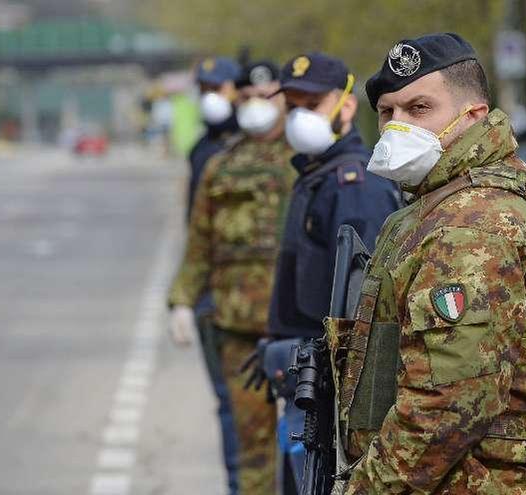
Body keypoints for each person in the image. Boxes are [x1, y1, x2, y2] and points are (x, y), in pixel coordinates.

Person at [328, 33, 526, 494]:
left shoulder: (470, 225)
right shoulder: (496, 196)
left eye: (419, 108)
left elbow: (447, 404)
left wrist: (364, 489)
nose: (396, 126)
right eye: (387, 112)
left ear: (474, 115)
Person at [261, 52, 402, 490]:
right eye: (293, 106)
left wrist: (311, 354)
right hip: (306, 374)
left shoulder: (354, 185)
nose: (300, 116)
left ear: (345, 106)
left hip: (329, 386)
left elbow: (366, 301)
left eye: (312, 104)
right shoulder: (319, 174)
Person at [168, 60, 293, 495]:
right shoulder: (220, 167)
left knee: (312, 447)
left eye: (267, 96)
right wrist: (182, 300)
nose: (258, 106)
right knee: (252, 448)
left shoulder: (311, 162)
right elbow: (200, 241)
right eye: (248, 99)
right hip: (238, 327)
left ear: (284, 98)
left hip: (302, 327)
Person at [186, 57, 243, 221]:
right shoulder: (199, 147)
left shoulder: (250, 141)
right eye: (203, 90)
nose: (209, 97)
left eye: (216, 88)